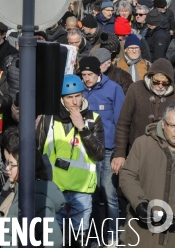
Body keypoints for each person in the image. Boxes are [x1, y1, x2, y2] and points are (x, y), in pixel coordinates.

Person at [36, 75, 105, 246]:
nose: (75, 102)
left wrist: (82, 128)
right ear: (61, 99)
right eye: (69, 97)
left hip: (81, 189)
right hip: (54, 187)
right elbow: (36, 150)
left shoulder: (93, 118)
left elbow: (99, 154)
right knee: (53, 238)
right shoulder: (48, 118)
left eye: (78, 96)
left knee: (79, 239)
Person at [79, 56, 124, 246]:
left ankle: (113, 235)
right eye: (83, 74)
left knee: (109, 194)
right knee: (91, 194)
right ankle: (96, 235)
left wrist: (121, 152)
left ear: (99, 73)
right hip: (86, 150)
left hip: (107, 151)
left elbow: (121, 122)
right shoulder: (79, 91)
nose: (86, 78)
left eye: (90, 74)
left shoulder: (113, 89)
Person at [0, 127, 64, 248]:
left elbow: (55, 241)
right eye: (7, 163)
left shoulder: (36, 199)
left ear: (26, 166)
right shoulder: (21, 191)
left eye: (11, 164)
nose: (7, 168)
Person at [120, 103, 175, 248]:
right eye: (172, 126)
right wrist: (139, 203)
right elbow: (127, 175)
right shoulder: (143, 144)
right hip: (143, 233)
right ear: (163, 124)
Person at [112, 59, 175, 175]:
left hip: (165, 156)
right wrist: (120, 153)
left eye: (164, 83)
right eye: (156, 82)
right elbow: (123, 123)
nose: (160, 86)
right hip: (136, 152)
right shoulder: (135, 89)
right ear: (151, 77)